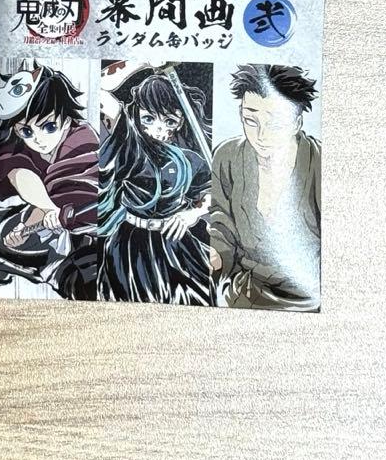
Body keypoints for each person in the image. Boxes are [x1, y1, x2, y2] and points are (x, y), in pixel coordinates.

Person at [208, 64, 321, 310]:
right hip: (242, 292)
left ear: (296, 122)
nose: (261, 135)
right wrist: (217, 254)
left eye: (275, 124)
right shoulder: (227, 156)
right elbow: (220, 220)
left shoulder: (319, 163)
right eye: (250, 120)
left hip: (308, 298)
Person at [98, 66, 214, 305]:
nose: (158, 129)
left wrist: (191, 214)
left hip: (175, 240)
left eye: (169, 120)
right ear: (137, 115)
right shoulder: (130, 147)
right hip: (130, 242)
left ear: (179, 122)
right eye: (149, 118)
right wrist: (142, 62)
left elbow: (212, 194)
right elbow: (99, 89)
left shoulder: (190, 160)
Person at [0, 62, 98, 299]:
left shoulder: (82, 141)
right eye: (27, 132)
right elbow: (21, 176)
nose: (38, 139)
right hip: (50, 226)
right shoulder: (22, 147)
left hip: (86, 238)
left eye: (48, 126)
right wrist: (25, 228)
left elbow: (70, 197)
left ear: (65, 120)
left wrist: (48, 214)